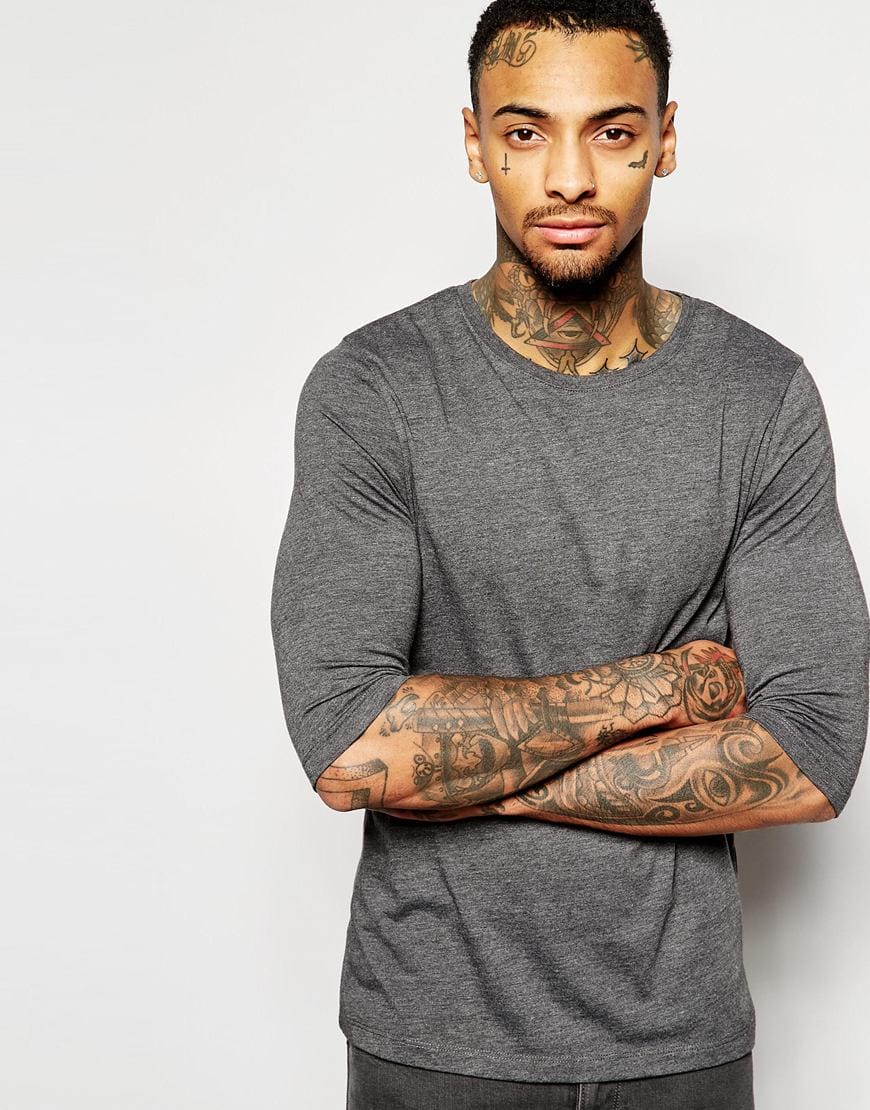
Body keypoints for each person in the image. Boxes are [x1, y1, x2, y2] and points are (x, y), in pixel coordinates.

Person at [270, 1, 869, 1106]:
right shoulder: (372, 391)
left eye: (613, 131)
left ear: (665, 139)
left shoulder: (761, 396)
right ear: (475, 143)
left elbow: (814, 752)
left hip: (679, 1042)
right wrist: (660, 687)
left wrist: (469, 780)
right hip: (432, 1041)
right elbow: (349, 745)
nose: (569, 179)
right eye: (525, 132)